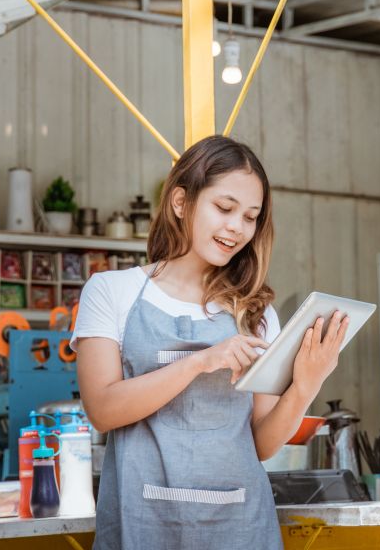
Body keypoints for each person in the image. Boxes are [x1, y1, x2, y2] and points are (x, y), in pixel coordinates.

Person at [73, 135, 349, 549]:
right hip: (143, 526)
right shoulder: (111, 291)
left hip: (241, 527)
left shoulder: (257, 313)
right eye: (224, 208)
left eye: (251, 217)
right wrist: (201, 362)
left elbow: (262, 444)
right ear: (180, 202)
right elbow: (103, 409)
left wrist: (307, 384)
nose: (237, 227)